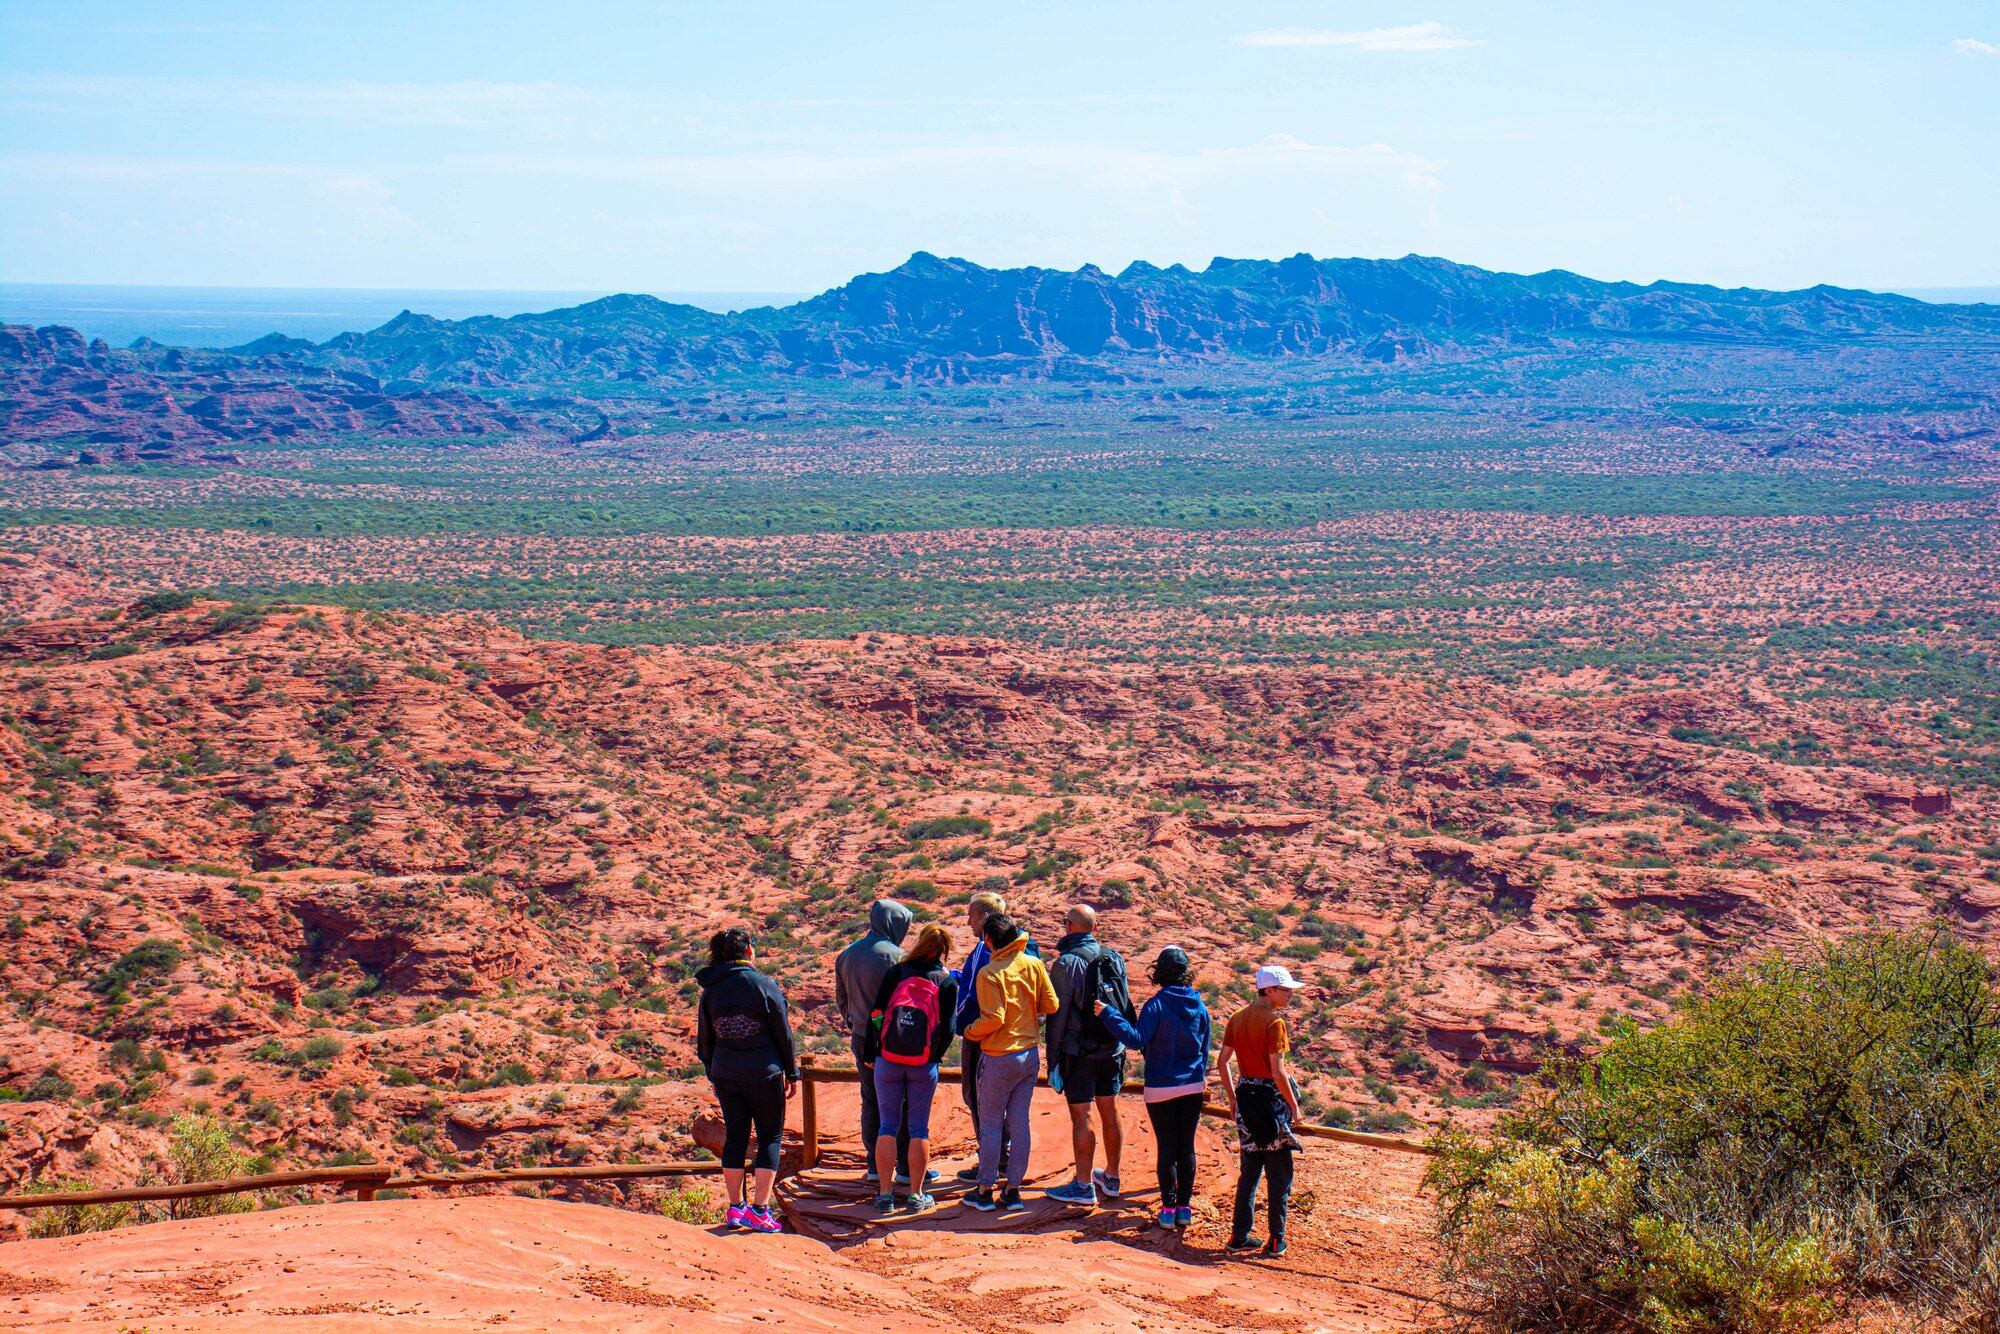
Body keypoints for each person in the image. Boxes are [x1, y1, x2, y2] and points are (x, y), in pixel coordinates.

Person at [1095, 946, 1211, 1230]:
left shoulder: (1156, 1005)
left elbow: (1135, 1040)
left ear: (1159, 972)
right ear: (1186, 972)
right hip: (1192, 1085)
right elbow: (1205, 1047)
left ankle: (1168, 1209)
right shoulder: (1199, 1005)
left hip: (1161, 1088)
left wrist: (1108, 1014)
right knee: (1187, 1148)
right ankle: (1184, 1209)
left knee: (1167, 1148)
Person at [695, 927, 800, 1236]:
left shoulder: (711, 990)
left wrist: (713, 1072)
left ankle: (735, 1208)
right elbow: (783, 1032)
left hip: (727, 1073)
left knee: (736, 1138)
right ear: (748, 952)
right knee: (769, 1138)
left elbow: (705, 1040)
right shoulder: (763, 985)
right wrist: (791, 1071)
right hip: (763, 1072)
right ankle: (760, 1211)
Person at [960, 911, 1058, 1213]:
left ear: (989, 939)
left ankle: (984, 1190)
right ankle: (1012, 1191)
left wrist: (969, 1031)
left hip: (999, 1056)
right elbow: (1051, 1004)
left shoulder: (990, 973)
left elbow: (994, 1019)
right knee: (1020, 1124)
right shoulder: (1033, 963)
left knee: (990, 1125)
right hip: (1028, 1056)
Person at [1044, 904, 1136, 1207]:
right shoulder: (1114, 957)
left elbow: (1057, 1015)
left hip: (1078, 1051)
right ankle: (1111, 1177)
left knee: (1082, 1115)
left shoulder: (1066, 963)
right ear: (1094, 929)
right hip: (1111, 1048)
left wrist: (1054, 1058)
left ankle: (1083, 1185)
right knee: (1110, 1110)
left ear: (1069, 926)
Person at [864, 922, 958, 1216]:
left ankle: (884, 1195)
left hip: (888, 1060)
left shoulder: (898, 972)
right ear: (943, 949)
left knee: (887, 1126)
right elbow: (950, 1029)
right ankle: (917, 1195)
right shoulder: (945, 981)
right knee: (919, 1128)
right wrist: (934, 1056)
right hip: (922, 1063)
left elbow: (878, 1013)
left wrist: (874, 1050)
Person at [1217, 963, 1308, 1258]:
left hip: (1245, 1098)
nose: (1289, 995)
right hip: (1270, 1101)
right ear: (1269, 990)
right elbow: (1277, 1072)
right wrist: (1294, 1107)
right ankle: (1275, 1240)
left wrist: (1232, 1099)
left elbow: (1222, 1062)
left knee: (1250, 1171)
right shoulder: (1274, 1023)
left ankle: (1239, 1236)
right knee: (1280, 1173)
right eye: (1285, 990)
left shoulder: (1237, 1017)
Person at [952, 891, 1040, 1183]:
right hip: (1023, 1041)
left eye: (972, 916)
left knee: (978, 1101)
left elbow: (973, 999)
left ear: (985, 918)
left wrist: (961, 1027)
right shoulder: (1029, 949)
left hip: (984, 1038)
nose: (968, 922)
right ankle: (1012, 1173)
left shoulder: (983, 951)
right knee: (1017, 1113)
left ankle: (989, 1167)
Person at [834, 899, 914, 1186]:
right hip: (895, 1040)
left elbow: (841, 999)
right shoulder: (899, 957)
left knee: (870, 1100)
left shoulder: (847, 954)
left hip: (860, 1038)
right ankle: (905, 1167)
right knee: (902, 1102)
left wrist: (855, 1024)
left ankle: (874, 1165)